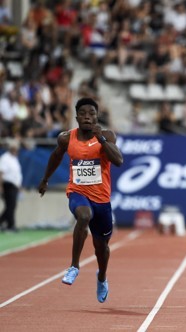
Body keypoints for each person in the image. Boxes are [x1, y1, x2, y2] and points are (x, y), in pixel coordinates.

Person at [38, 97, 123, 303]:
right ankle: (74, 266)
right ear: (76, 117)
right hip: (78, 192)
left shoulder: (107, 135)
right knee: (83, 216)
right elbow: (56, 156)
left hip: (101, 199)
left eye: (91, 113)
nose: (87, 117)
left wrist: (101, 139)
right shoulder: (66, 138)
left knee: (101, 248)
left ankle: (101, 276)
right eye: (83, 113)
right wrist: (45, 179)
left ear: (96, 116)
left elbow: (118, 160)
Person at [0, 138, 22, 232]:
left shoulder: (14, 159)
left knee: (11, 206)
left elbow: (17, 174)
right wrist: (0, 187)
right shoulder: (5, 158)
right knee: (10, 205)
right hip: (8, 185)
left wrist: (19, 186)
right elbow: (1, 173)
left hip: (14, 186)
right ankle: (10, 225)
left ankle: (7, 224)